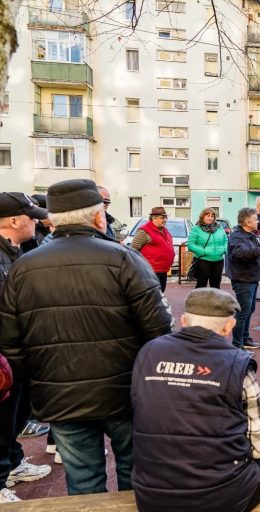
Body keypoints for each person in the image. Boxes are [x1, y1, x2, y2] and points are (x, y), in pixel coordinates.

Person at [0, 179, 173, 496]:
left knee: (83, 482)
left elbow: (11, 343)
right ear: (98, 218)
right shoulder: (125, 260)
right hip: (124, 393)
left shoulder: (23, 267)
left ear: (52, 221)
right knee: (135, 476)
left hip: (60, 396)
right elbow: (159, 330)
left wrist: (39, 383)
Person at [131, 288, 260, 512]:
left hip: (151, 492)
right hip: (221, 495)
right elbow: (257, 447)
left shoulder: (148, 352)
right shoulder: (238, 362)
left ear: (184, 321)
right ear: (228, 327)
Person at [0, 193, 50, 504]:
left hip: (16, 354)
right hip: (5, 356)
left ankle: (12, 464)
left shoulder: (15, 252)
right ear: (15, 221)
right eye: (31, 217)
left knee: (14, 419)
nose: (37, 221)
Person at [227, 208, 260, 350]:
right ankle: (237, 346)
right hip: (243, 279)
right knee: (242, 313)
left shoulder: (251, 235)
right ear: (248, 222)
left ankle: (245, 339)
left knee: (249, 310)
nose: (258, 221)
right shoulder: (236, 236)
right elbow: (240, 252)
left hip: (251, 277)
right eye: (255, 219)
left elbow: (255, 252)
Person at [130, 207, 175, 292]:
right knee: (152, 295)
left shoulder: (164, 230)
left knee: (160, 293)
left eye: (166, 217)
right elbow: (133, 250)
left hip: (163, 270)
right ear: (154, 218)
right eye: (162, 218)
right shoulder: (144, 231)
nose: (165, 220)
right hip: (151, 271)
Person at [187, 208, 228, 289]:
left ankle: (214, 302)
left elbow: (226, 240)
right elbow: (190, 244)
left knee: (216, 286)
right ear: (202, 216)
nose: (210, 218)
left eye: (212, 216)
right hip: (203, 261)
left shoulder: (219, 227)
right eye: (208, 215)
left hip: (218, 261)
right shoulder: (196, 228)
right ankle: (199, 301)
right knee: (201, 285)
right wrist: (203, 251)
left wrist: (224, 249)